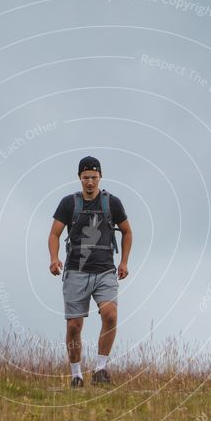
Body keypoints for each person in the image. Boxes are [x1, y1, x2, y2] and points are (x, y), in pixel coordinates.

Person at [48, 156, 132, 387]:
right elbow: (54, 233)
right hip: (76, 271)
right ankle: (76, 375)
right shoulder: (68, 204)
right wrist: (54, 259)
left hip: (105, 270)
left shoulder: (112, 203)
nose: (90, 182)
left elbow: (127, 231)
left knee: (110, 315)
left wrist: (124, 262)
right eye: (86, 178)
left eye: (94, 178)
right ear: (79, 178)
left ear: (100, 177)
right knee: (74, 326)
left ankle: (100, 369)